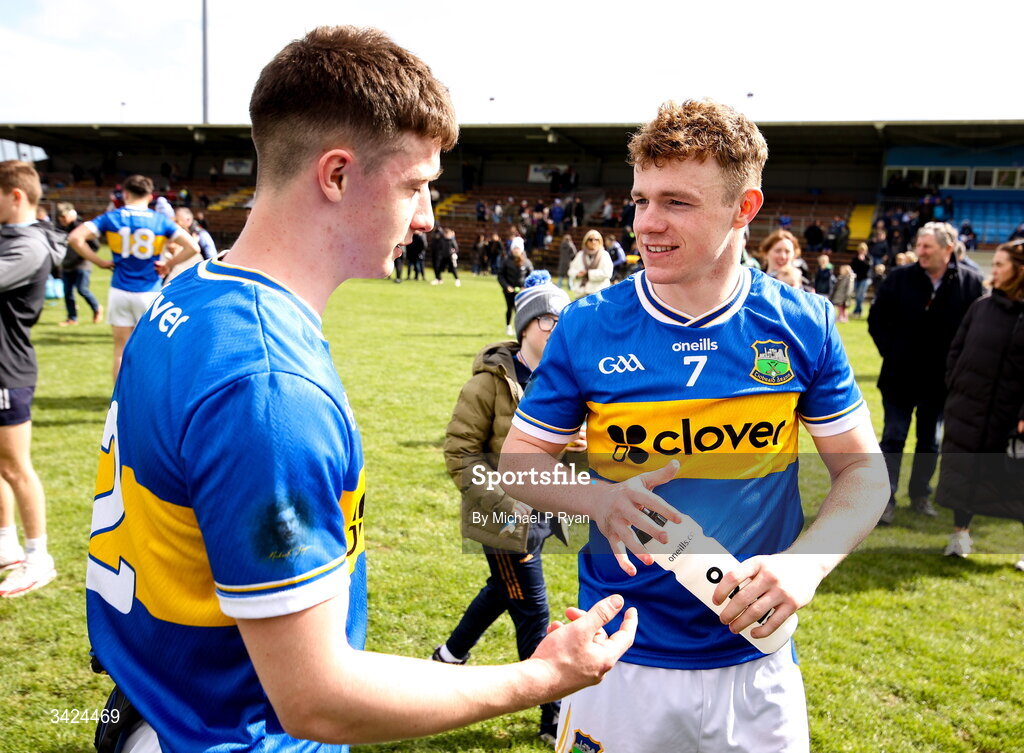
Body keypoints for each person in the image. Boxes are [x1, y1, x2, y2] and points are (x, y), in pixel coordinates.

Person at [84, 27, 635, 753]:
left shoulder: (190, 294)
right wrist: (541, 675)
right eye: (416, 185)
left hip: (156, 704)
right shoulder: (268, 385)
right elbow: (319, 699)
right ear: (337, 175)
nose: (429, 216)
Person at [499, 98, 888, 753]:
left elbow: (863, 470)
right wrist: (599, 497)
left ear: (744, 209)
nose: (647, 223)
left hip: (756, 661)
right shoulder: (589, 325)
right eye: (641, 199)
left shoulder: (801, 324)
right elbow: (518, 463)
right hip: (621, 657)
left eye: (676, 202)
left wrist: (806, 567)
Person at [436, 271, 582, 746]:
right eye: (553, 317)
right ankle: (550, 714)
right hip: (502, 520)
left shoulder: (562, 383)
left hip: (542, 517)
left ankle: (449, 657)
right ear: (529, 325)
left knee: (503, 590)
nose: (562, 325)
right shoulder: (488, 384)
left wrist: (580, 446)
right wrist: (505, 508)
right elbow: (460, 453)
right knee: (532, 610)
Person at [868, 221, 984, 524]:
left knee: (930, 440)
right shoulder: (899, 279)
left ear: (947, 249)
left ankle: (920, 494)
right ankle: (886, 500)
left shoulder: (971, 283)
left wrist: (957, 368)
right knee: (893, 436)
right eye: (919, 245)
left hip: (941, 382)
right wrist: (891, 353)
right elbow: (877, 320)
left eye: (927, 246)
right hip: (899, 378)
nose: (920, 251)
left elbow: (976, 333)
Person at [0, 160, 65, 598]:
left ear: (16, 196)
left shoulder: (28, 247)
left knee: (15, 466)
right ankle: (5, 543)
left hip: (7, 368)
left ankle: (38, 557)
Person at [936, 239, 1024, 562]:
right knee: (965, 474)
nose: (994, 270)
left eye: (1001, 264)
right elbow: (956, 349)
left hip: (1010, 419)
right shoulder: (981, 307)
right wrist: (955, 382)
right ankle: (960, 535)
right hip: (968, 411)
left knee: (1016, 480)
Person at [67, 174, 200, 380]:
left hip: (120, 290)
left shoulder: (112, 217)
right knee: (152, 352)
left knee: (120, 350)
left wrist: (99, 261)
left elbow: (75, 237)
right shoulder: (159, 220)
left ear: (125, 194)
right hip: (149, 291)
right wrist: (168, 265)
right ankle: (146, 402)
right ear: (150, 196)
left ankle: (119, 404)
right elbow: (192, 246)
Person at [54, 202, 103, 326]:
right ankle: (72, 318)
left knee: (82, 290)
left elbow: (95, 246)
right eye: (60, 218)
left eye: (64, 217)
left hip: (82, 264)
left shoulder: (82, 228)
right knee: (67, 292)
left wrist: (83, 255)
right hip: (66, 264)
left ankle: (97, 308)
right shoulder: (60, 227)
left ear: (71, 215)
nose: (62, 220)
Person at [498, 245, 533, 336]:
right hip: (509, 291)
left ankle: (520, 328)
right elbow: (500, 275)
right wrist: (506, 286)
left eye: (517, 248)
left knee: (520, 310)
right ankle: (508, 326)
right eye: (514, 248)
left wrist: (525, 287)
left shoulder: (527, 262)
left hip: (522, 292)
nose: (516, 250)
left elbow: (531, 276)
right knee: (510, 308)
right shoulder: (506, 261)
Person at [568, 229, 612, 298]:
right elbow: (571, 270)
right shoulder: (580, 254)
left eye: (596, 239)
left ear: (600, 241)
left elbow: (607, 273)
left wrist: (588, 273)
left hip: (599, 293)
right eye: (590, 239)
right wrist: (577, 274)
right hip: (581, 293)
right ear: (586, 241)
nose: (593, 242)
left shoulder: (604, 255)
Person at [850, 242, 872, 317]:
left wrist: (863, 261)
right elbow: (853, 267)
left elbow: (868, 267)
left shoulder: (868, 258)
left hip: (865, 279)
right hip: (857, 278)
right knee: (857, 295)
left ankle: (858, 310)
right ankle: (858, 310)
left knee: (860, 295)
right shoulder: (855, 258)